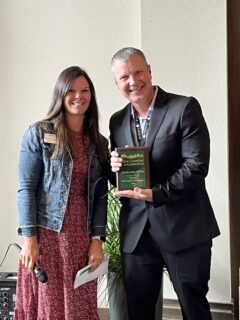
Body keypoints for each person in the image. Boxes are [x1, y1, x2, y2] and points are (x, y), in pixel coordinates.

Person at [109, 47, 220, 320]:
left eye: (138, 72)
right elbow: (125, 179)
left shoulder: (184, 107)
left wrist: (155, 194)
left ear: (149, 71)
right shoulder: (117, 120)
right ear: (116, 83)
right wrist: (114, 169)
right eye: (124, 77)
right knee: (139, 312)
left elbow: (196, 167)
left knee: (194, 309)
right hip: (137, 233)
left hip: (184, 228)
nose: (133, 81)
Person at [14, 66, 109, 320]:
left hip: (81, 236)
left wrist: (97, 239)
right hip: (47, 235)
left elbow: (100, 193)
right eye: (71, 90)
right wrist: (29, 238)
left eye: (85, 90)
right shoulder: (39, 133)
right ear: (60, 94)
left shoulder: (98, 142)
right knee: (49, 305)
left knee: (80, 303)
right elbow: (26, 189)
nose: (78, 96)